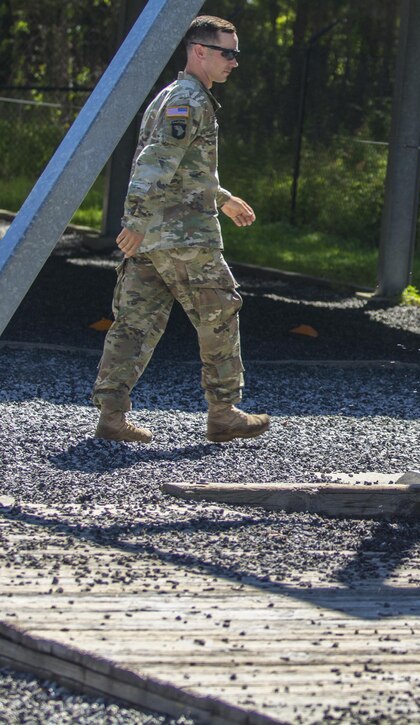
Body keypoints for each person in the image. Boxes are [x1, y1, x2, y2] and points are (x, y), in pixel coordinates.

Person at [92, 15, 269, 444]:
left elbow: (185, 167)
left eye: (236, 53)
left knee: (134, 323)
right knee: (220, 313)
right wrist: (133, 221)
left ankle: (111, 418)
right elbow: (155, 161)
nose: (234, 62)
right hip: (184, 238)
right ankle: (223, 413)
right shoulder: (189, 101)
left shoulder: (175, 97)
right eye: (227, 53)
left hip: (156, 238)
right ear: (200, 51)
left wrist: (222, 197)